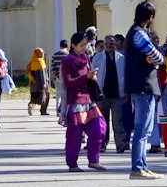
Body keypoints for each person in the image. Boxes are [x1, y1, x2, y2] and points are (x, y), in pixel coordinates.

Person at [123, 0, 164, 182]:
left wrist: (151, 59)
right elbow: (158, 56)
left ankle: (143, 166)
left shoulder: (133, 32)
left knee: (145, 130)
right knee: (142, 130)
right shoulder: (140, 34)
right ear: (150, 17)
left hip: (139, 84)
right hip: (144, 85)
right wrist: (156, 60)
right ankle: (137, 167)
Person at [61, 31, 107, 170]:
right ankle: (72, 164)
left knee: (100, 128)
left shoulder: (87, 58)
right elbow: (68, 82)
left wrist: (93, 77)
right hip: (76, 101)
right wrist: (86, 77)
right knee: (75, 136)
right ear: (73, 45)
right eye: (81, 45)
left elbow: (89, 75)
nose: (84, 47)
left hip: (89, 100)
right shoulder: (67, 61)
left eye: (85, 44)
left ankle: (93, 160)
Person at [92, 35, 126, 150]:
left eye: (111, 44)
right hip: (103, 95)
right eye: (106, 44)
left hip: (118, 95)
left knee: (118, 121)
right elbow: (92, 73)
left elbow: (126, 76)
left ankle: (120, 144)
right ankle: (102, 143)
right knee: (102, 121)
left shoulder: (121, 58)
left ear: (115, 44)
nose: (108, 46)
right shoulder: (98, 57)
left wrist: (126, 91)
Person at [25, 47, 51, 116]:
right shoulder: (40, 61)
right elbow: (42, 74)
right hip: (41, 84)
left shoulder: (32, 61)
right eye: (41, 53)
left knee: (34, 98)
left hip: (33, 85)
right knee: (46, 96)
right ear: (37, 53)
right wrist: (45, 83)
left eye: (43, 52)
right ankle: (43, 111)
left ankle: (31, 106)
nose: (42, 54)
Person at [51, 39, 69, 118]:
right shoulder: (68, 55)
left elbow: (53, 66)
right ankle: (63, 110)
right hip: (66, 78)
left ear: (60, 46)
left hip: (57, 78)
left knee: (58, 95)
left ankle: (57, 111)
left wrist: (56, 75)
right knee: (65, 95)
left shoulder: (55, 55)